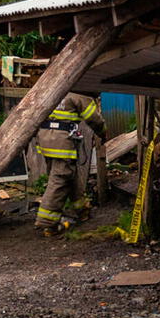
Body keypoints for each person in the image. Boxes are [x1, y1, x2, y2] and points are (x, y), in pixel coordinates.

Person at [34, 92, 105, 236]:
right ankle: (47, 222)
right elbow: (94, 119)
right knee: (60, 179)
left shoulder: (54, 89)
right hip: (62, 142)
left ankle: (82, 209)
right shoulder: (79, 93)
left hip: (45, 139)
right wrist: (103, 132)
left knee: (69, 175)